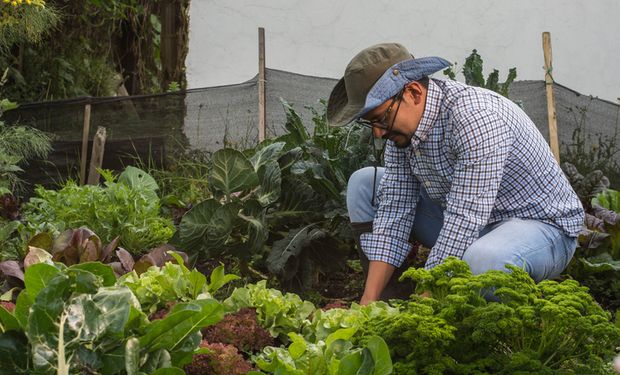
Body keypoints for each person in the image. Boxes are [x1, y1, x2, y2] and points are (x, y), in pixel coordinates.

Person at [326, 43, 584, 305]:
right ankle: (390, 302)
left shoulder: (475, 118)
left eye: (381, 119)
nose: (378, 133)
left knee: (485, 260)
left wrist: (425, 302)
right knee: (364, 184)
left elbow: (464, 218)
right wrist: (367, 304)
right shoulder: (401, 134)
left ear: (414, 92)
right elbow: (395, 210)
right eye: (371, 122)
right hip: (471, 224)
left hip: (539, 228)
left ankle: (450, 311)